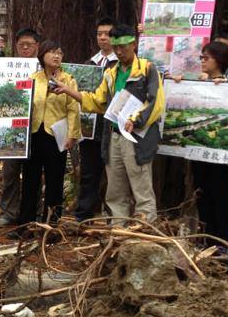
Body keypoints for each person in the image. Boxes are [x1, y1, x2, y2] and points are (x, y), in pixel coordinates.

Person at [54, 24, 165, 222]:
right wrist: (70, 91)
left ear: (134, 44)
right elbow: (98, 101)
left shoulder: (147, 69)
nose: (120, 52)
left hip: (136, 137)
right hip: (114, 134)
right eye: (116, 48)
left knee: (141, 184)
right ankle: (118, 226)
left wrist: (136, 119)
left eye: (124, 47)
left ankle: (146, 226)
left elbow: (156, 102)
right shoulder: (111, 73)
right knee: (115, 186)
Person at [18, 40, 80, 230]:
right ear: (42, 55)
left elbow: (73, 110)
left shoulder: (68, 80)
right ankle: (25, 224)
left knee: (55, 181)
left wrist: (72, 135)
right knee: (30, 180)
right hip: (35, 134)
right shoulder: (33, 79)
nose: (56, 56)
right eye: (52, 52)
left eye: (60, 53)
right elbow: (23, 105)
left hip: (56, 136)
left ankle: (52, 225)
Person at [188, 40, 228, 256]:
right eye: (201, 58)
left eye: (206, 58)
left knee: (222, 195)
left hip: (223, 153)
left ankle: (224, 243)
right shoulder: (197, 84)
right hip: (200, 149)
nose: (202, 62)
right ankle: (207, 238)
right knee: (203, 194)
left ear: (218, 60)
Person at [0, 27, 41, 228]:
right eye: (22, 45)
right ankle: (8, 212)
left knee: (34, 173)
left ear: (37, 46)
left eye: (29, 44)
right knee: (10, 172)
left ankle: (33, 212)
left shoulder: (44, 67)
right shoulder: (7, 67)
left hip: (38, 129)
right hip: (11, 127)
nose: (25, 48)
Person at [74, 17, 118, 222]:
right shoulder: (88, 64)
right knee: (89, 171)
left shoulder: (123, 64)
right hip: (90, 126)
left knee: (115, 173)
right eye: (99, 33)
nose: (103, 37)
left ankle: (113, 216)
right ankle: (84, 214)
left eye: (107, 34)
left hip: (114, 127)